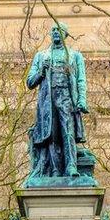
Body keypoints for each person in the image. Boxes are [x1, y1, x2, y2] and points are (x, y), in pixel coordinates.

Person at [25, 22, 89, 184]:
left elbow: (81, 79)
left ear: (65, 34)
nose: (55, 32)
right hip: (48, 100)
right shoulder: (41, 56)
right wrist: (41, 72)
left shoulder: (75, 56)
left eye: (58, 30)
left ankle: (71, 166)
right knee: (51, 134)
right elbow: (30, 82)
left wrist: (81, 99)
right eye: (53, 29)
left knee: (68, 133)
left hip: (67, 98)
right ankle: (54, 168)